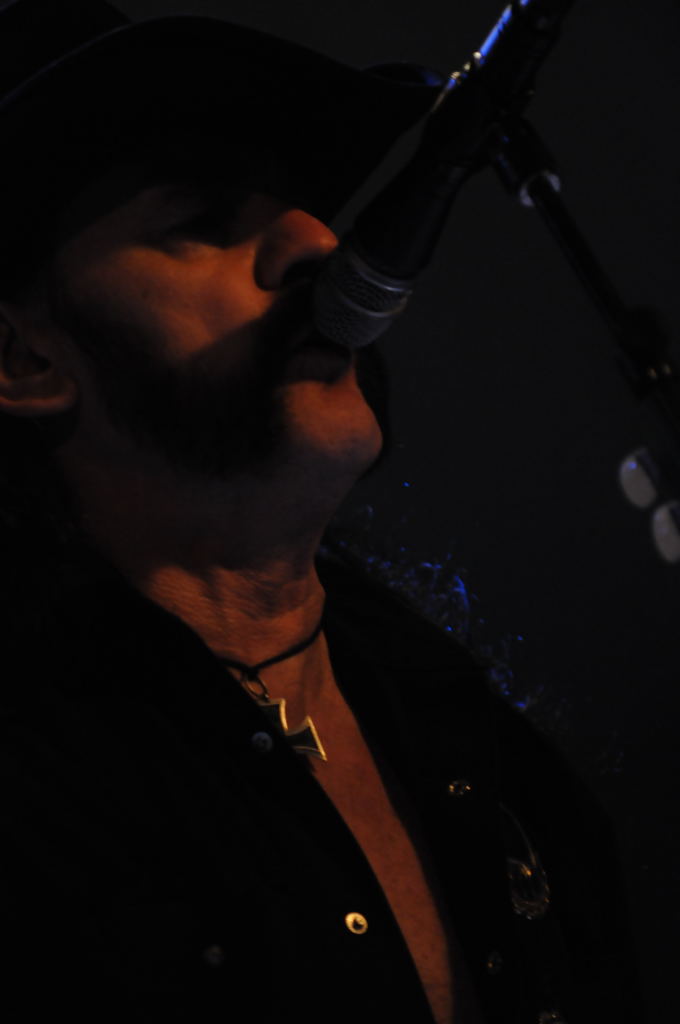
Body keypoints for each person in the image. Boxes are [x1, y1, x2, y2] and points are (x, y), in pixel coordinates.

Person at [0, 1, 639, 1022]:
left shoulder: (460, 719)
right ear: (26, 360)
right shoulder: (36, 783)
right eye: (203, 219)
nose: (317, 240)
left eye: (302, 205)